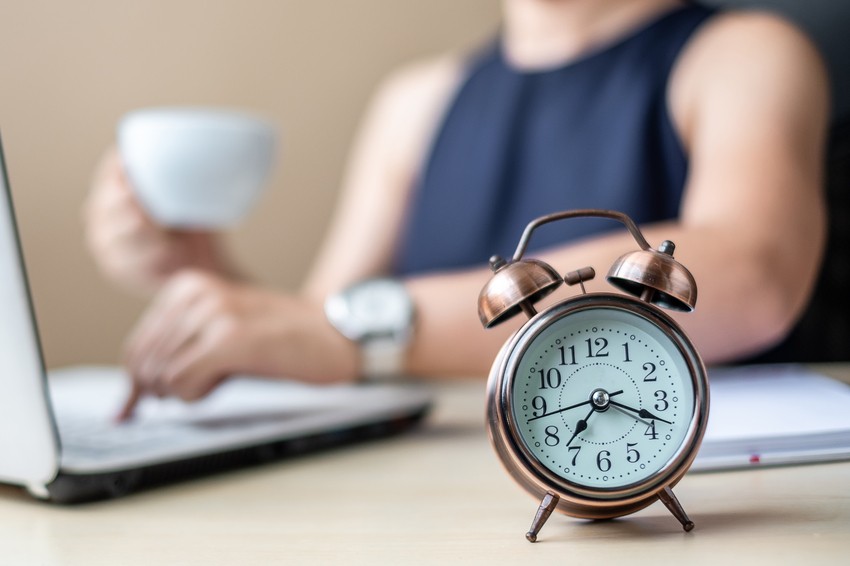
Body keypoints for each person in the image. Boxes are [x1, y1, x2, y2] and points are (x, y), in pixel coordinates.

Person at [85, 0, 829, 419]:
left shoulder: (744, 53)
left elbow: (751, 274)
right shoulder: (415, 103)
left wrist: (358, 330)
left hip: (655, 494)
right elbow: (319, 324)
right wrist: (202, 273)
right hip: (434, 505)